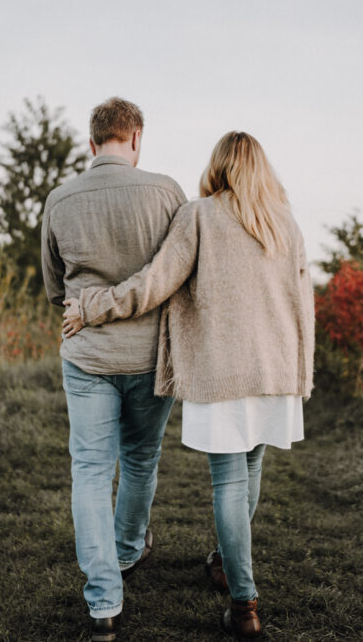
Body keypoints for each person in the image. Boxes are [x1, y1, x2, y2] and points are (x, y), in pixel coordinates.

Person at [63, 131, 315, 639]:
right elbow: (304, 304)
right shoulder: (284, 222)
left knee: (229, 481)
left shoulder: (199, 215)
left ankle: (244, 602)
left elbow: (156, 282)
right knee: (252, 467)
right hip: (275, 371)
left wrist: (93, 305)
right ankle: (225, 562)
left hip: (221, 373)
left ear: (218, 166)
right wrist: (302, 373)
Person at [41, 97, 187, 641]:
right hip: (151, 356)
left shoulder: (60, 199)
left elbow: (55, 286)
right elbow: (176, 273)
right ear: (137, 137)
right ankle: (127, 552)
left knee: (90, 470)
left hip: (88, 353)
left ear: (91, 142)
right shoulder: (168, 192)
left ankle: (103, 601)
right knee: (141, 458)